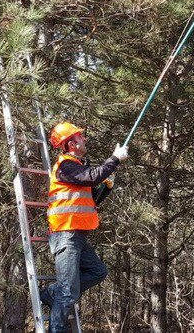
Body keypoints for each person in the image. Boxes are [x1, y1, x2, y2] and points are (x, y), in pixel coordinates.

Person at [40, 122, 128, 332]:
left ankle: (52, 293)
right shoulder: (65, 165)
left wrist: (107, 186)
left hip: (76, 235)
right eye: (80, 136)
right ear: (71, 143)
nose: (84, 139)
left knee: (98, 272)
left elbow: (91, 199)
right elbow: (91, 177)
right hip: (65, 234)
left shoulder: (76, 168)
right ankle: (57, 301)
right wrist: (114, 159)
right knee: (68, 292)